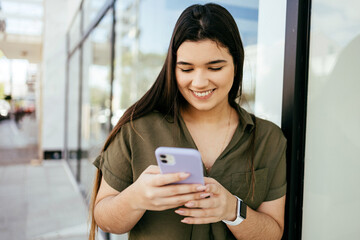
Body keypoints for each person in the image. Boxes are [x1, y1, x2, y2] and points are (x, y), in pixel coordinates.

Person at [89, 3, 286, 240]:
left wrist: (233, 210)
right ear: (173, 69)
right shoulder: (137, 129)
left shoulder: (268, 139)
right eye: (186, 69)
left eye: (215, 67)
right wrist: (135, 198)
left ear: (236, 64)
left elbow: (273, 232)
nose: (199, 82)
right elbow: (103, 219)